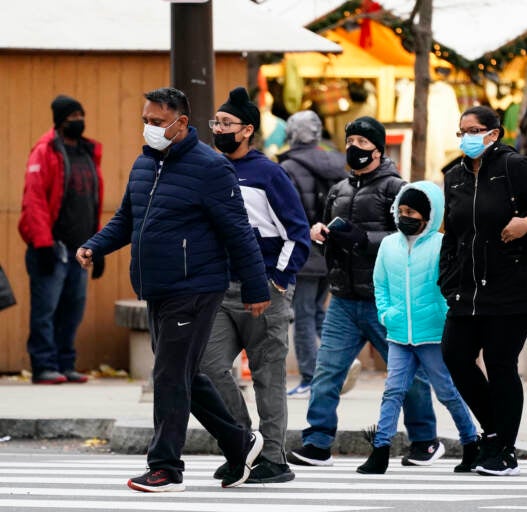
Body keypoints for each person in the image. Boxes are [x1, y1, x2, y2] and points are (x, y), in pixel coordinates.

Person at [76, 87, 268, 492]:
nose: (150, 129)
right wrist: (95, 245)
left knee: (167, 376)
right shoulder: (144, 165)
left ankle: (165, 467)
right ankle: (240, 442)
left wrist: (255, 288)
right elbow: (127, 220)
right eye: (146, 121)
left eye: (158, 122)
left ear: (181, 122)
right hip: (158, 286)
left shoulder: (211, 168)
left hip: (195, 287)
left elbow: (238, 232)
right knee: (182, 374)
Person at [288, 116, 438, 467]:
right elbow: (336, 240)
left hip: (384, 299)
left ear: (378, 148)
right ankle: (318, 441)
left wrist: (361, 240)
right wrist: (325, 237)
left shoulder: (396, 189)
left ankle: (425, 440)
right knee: (327, 372)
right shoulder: (339, 189)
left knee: (407, 373)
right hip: (343, 297)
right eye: (350, 140)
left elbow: (410, 238)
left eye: (362, 141)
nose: (354, 147)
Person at [439, 105, 527, 476]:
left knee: (500, 362)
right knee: (455, 356)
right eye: (462, 132)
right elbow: (454, 232)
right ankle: (494, 431)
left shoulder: (514, 167)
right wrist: (446, 277)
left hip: (512, 286)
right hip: (467, 288)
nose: (467, 139)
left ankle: (504, 450)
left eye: (473, 131)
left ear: (494, 134)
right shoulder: (454, 176)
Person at [199, 87, 310, 484]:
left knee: (268, 376)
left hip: (263, 289)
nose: (218, 129)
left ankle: (275, 459)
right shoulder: (211, 169)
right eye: (215, 122)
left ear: (247, 130)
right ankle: (243, 443)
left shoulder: (269, 174)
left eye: (226, 123)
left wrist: (276, 283)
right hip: (217, 290)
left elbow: (298, 234)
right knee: (207, 368)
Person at [357, 181, 478, 475]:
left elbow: (453, 286)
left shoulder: (441, 245)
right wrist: (386, 314)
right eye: (400, 210)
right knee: (393, 391)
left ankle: (472, 443)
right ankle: (380, 450)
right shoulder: (388, 245)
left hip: (434, 334)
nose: (403, 216)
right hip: (398, 334)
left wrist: (447, 317)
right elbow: (380, 285)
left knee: (447, 392)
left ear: (428, 215)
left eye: (411, 211)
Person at [18, 95, 104, 385]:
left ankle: (65, 364)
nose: (78, 120)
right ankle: (44, 366)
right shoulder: (45, 151)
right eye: (72, 116)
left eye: (81, 114)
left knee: (72, 309)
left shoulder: (87, 152)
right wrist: (42, 244)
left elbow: (93, 202)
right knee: (46, 310)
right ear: (59, 120)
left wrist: (99, 246)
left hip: (80, 249)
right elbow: (34, 201)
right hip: (51, 248)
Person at [278, 110, 348, 398]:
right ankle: (340, 364)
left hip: (303, 248)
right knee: (319, 311)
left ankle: (311, 378)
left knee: (304, 315)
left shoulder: (289, 168)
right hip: (331, 249)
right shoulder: (337, 162)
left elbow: (284, 211)